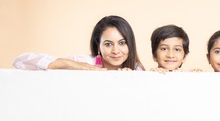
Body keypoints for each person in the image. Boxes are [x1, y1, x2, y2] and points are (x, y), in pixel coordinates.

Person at [12, 15, 144, 71]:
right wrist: (67, 63)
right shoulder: (84, 63)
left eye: (122, 43)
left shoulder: (135, 68)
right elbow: (20, 61)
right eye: (108, 44)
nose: (116, 51)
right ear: (98, 45)